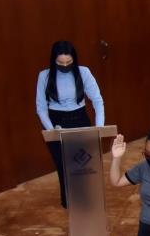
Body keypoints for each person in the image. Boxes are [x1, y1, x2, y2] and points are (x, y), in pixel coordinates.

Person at [36, 41, 105, 208]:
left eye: (69, 62)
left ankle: (89, 202)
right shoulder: (44, 76)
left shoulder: (84, 72)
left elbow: (97, 100)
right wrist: (52, 131)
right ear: (54, 60)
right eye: (61, 63)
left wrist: (99, 127)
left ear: (74, 59)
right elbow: (41, 107)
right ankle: (70, 204)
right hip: (55, 121)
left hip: (79, 119)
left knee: (85, 165)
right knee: (64, 166)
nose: (65, 66)